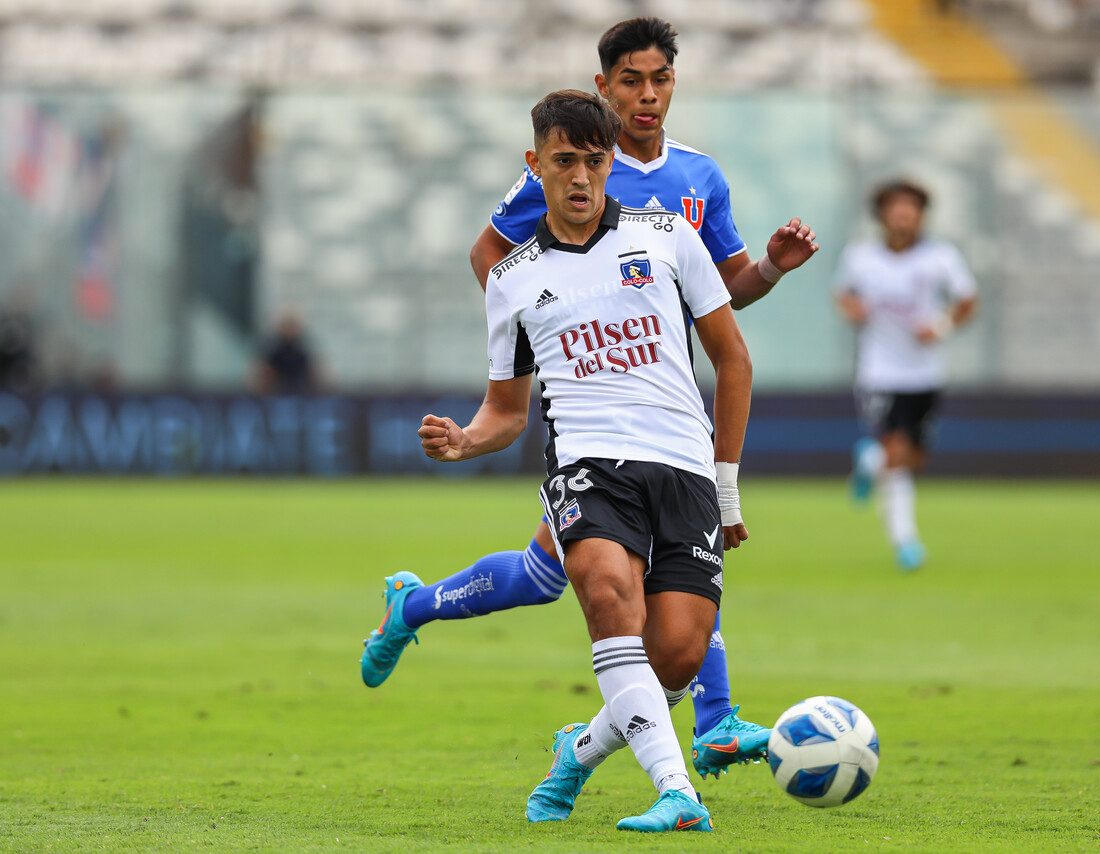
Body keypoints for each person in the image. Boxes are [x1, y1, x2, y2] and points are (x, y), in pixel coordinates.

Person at [360, 16, 819, 778]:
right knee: (625, 576)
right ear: (604, 87)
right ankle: (713, 719)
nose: (647, 96)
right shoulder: (571, 162)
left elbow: (725, 292)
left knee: (554, 577)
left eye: (660, 79)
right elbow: (490, 255)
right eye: (631, 80)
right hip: (592, 406)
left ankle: (414, 606)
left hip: (661, 397)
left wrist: (768, 268)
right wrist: (564, 325)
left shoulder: (698, 177)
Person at [417, 90, 752, 831]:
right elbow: (505, 411)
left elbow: (733, 360)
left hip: (683, 465)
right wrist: (465, 441)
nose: (579, 176)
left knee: (677, 655)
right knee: (608, 600)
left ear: (610, 164)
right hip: (589, 463)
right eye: (563, 160)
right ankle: (678, 794)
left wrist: (726, 488)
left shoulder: (668, 238)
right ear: (534, 164)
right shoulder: (510, 281)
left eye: (593, 161)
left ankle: (580, 749)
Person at [833, 179, 977, 571]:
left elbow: (968, 299)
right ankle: (906, 543)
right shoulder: (860, 257)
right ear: (882, 215)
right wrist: (853, 310)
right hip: (878, 372)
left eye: (911, 209)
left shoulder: (941, 258)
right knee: (897, 454)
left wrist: (942, 325)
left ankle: (869, 462)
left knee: (911, 458)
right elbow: (842, 293)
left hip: (925, 374)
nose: (904, 216)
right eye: (896, 209)